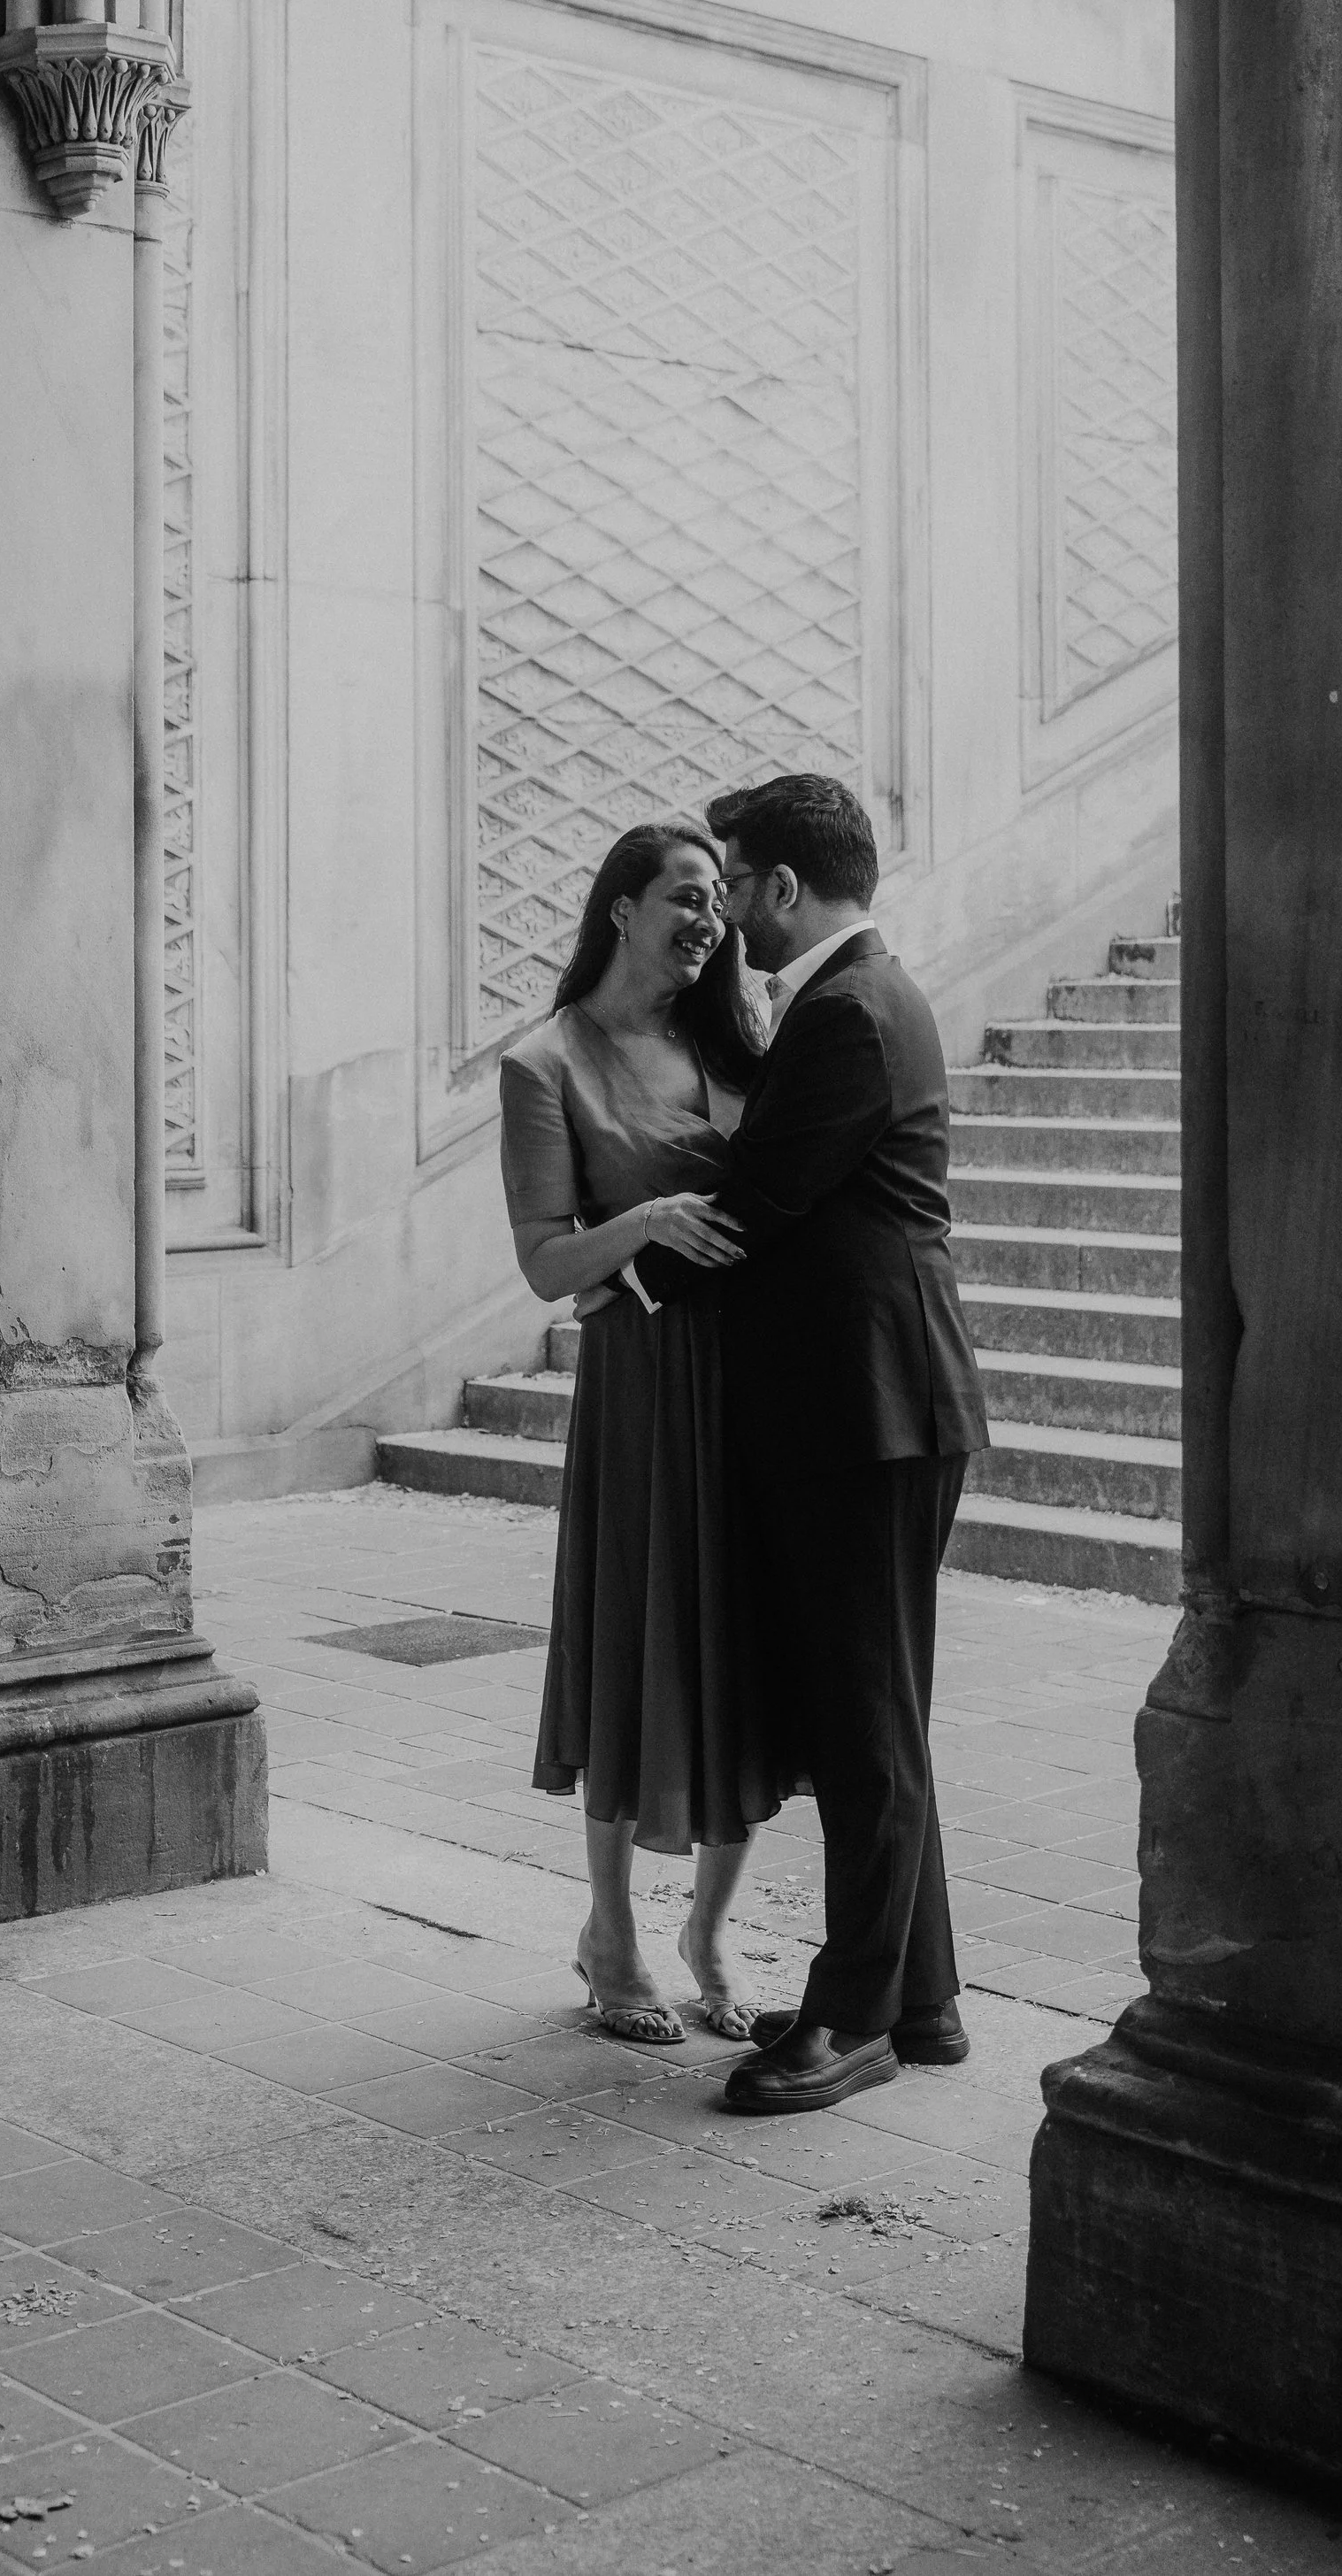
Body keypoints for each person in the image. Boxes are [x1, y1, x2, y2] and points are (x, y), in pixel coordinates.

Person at [635, 770, 988, 2117]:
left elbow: (756, 1199)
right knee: (873, 1709)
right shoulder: (854, 1000)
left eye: (735, 884)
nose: (726, 914)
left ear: (785, 887)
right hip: (873, 1404)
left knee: (864, 1718)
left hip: (871, 1408)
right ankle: (923, 1994)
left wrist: (620, 1269)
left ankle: (853, 2020)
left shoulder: (848, 1011)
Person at [499, 820, 783, 2044]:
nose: (710, 915)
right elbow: (546, 1259)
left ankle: (710, 1929)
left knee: (745, 1648)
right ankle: (610, 1932)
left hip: (753, 1371)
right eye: (685, 892)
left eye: (719, 895)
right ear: (620, 906)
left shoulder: (737, 1037)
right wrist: (651, 1219)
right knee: (634, 1638)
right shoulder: (544, 1060)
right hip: (642, 1380)